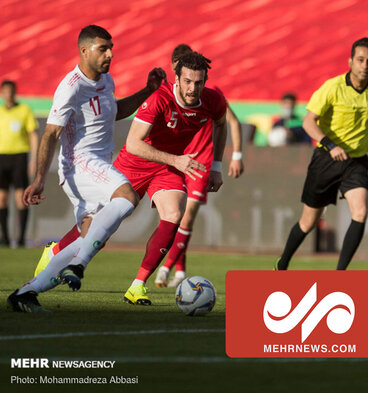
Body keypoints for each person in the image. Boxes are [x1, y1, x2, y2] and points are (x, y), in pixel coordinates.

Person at [7, 25, 166, 312]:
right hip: (80, 163)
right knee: (127, 196)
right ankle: (78, 266)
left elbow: (115, 112)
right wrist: (39, 178)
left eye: (111, 47)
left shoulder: (107, 80)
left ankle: (25, 293)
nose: (110, 54)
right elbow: (50, 134)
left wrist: (148, 90)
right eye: (103, 48)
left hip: (97, 164)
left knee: (90, 237)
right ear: (84, 51)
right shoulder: (72, 86)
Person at [114, 50, 227, 305]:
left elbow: (222, 123)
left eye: (198, 82)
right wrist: (176, 160)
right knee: (104, 222)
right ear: (177, 78)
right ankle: (56, 252)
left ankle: (137, 285)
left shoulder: (212, 101)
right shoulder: (158, 99)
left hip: (167, 166)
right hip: (135, 163)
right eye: (187, 81)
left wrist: (217, 165)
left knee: (175, 215)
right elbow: (133, 143)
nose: (193, 88)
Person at [276, 37, 368, 271]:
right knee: (308, 222)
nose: (365, 65)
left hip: (357, 162)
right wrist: (331, 146)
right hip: (326, 159)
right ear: (350, 61)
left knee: (360, 212)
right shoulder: (332, 87)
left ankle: (339, 275)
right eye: (360, 60)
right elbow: (308, 122)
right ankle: (282, 265)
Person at [154, 43, 244, 288]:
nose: (191, 85)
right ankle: (180, 270)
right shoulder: (168, 94)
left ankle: (164, 269)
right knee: (174, 218)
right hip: (175, 162)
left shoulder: (208, 93)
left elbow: (230, 122)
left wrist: (234, 155)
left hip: (200, 164)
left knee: (187, 217)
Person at [0, 80, 38, 247]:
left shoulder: (24, 110)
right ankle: (5, 238)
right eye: (5, 91)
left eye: (11, 91)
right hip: (1, 157)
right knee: (2, 198)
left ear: (14, 92)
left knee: (20, 197)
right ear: (2, 93)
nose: (8, 94)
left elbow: (33, 135)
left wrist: (33, 159)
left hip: (19, 157)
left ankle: (21, 238)